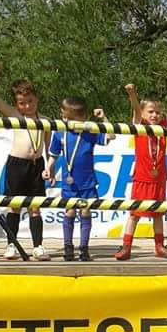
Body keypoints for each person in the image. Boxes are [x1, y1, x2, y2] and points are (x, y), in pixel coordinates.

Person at [114, 80, 167, 260]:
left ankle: (159, 246)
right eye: (150, 112)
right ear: (143, 113)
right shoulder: (139, 126)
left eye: (157, 112)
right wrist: (132, 95)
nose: (155, 115)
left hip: (159, 178)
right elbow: (135, 110)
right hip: (142, 178)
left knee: (158, 213)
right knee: (134, 214)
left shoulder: (164, 126)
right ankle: (126, 246)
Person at [0, 62, 50, 260]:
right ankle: (11, 245)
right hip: (17, 165)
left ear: (36, 99)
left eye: (30, 101)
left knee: (35, 207)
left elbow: (48, 148)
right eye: (22, 103)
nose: (27, 106)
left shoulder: (46, 120)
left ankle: (38, 247)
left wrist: (49, 166)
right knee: (14, 205)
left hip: (36, 165)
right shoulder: (14, 115)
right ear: (16, 104)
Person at [45, 98, 111, 262]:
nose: (65, 120)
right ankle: (68, 247)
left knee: (86, 211)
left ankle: (84, 248)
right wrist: (49, 168)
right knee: (69, 212)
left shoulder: (90, 131)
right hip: (69, 182)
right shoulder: (60, 131)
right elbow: (53, 154)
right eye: (64, 116)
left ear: (83, 118)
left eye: (70, 118)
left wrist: (103, 118)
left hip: (87, 181)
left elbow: (111, 135)